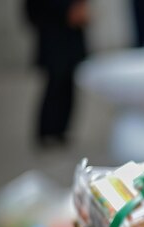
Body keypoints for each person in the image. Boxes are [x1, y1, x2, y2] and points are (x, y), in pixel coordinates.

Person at [25, 0, 88, 147]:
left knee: (68, 84)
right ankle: (47, 131)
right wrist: (68, 10)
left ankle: (60, 129)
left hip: (70, 33)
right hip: (54, 31)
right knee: (55, 84)